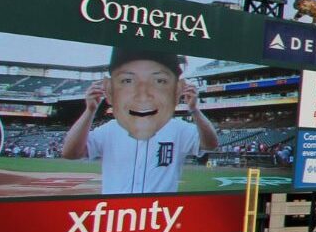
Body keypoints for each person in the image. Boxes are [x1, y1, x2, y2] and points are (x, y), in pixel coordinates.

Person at [61, 49, 217, 195]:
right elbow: (70, 153)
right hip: (116, 211)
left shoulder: (178, 129)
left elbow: (210, 144)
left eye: (158, 81)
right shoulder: (110, 129)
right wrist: (89, 111)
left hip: (159, 211)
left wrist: (194, 110)